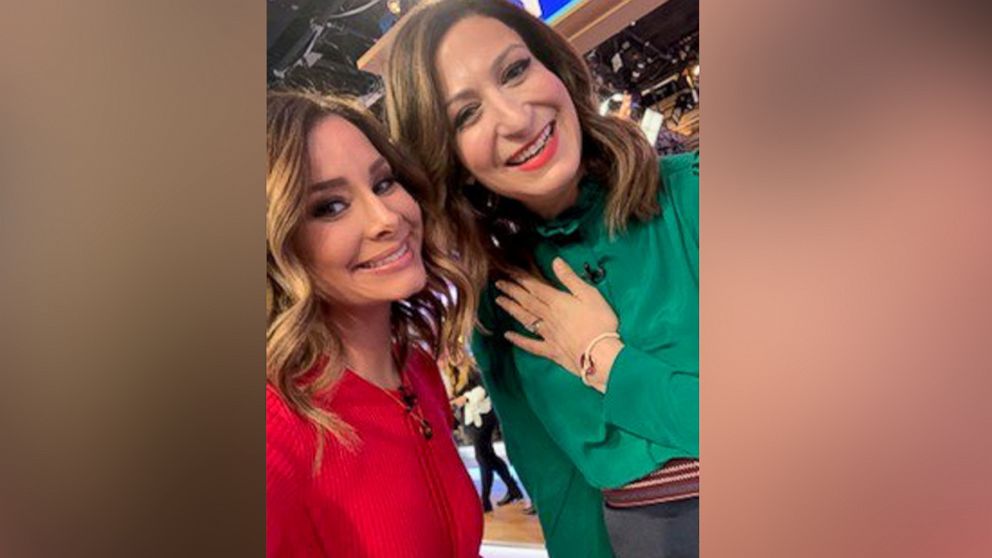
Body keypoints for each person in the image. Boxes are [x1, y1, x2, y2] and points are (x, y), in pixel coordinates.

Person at [385, 1, 699, 557]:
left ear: (553, 65)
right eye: (466, 115)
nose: (515, 118)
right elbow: (563, 496)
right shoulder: (499, 302)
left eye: (514, 70)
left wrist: (608, 362)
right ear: (448, 156)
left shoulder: (696, 195)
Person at [265, 90, 483, 557]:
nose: (387, 218)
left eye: (383, 183)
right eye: (329, 207)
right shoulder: (273, 433)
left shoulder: (419, 371)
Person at [443, 350, 524, 512]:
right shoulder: (454, 374)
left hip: (483, 416)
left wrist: (465, 398)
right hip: (472, 418)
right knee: (489, 456)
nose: (454, 357)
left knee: (482, 457)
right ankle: (513, 489)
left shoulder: (472, 368)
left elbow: (484, 388)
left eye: (455, 353)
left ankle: (485, 500)